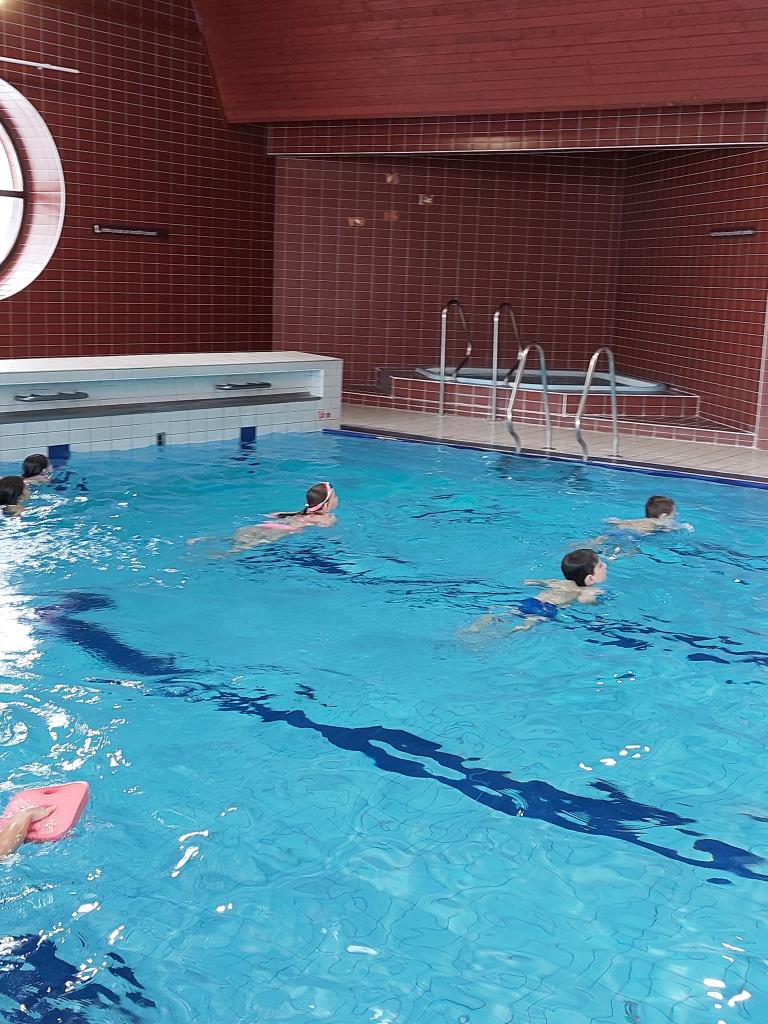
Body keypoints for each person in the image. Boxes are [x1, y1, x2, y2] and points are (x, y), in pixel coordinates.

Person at [463, 548, 607, 634]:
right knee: (525, 626)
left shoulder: (561, 582)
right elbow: (585, 601)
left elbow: (545, 582)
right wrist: (596, 600)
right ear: (589, 579)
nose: (605, 565)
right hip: (547, 609)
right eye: (600, 566)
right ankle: (508, 632)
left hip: (533, 601)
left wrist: (533, 582)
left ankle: (478, 626)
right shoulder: (585, 591)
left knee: (509, 612)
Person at [187, 482, 339, 552]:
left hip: (265, 526)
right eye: (334, 497)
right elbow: (328, 524)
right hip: (278, 531)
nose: (337, 498)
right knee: (237, 549)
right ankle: (215, 556)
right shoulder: (326, 518)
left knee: (232, 539)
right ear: (325, 506)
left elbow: (278, 515)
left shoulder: (299, 513)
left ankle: (204, 539)